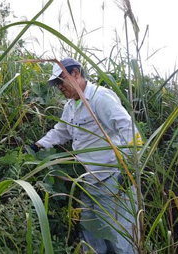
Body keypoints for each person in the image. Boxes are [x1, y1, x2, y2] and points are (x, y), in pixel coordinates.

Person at [30, 58, 140, 254]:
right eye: (56, 84)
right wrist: (38, 145)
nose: (59, 87)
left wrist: (128, 167)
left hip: (113, 182)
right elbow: (61, 131)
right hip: (87, 183)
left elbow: (127, 127)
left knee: (121, 240)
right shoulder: (71, 106)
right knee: (92, 239)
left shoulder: (100, 98)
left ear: (76, 74)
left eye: (61, 80)